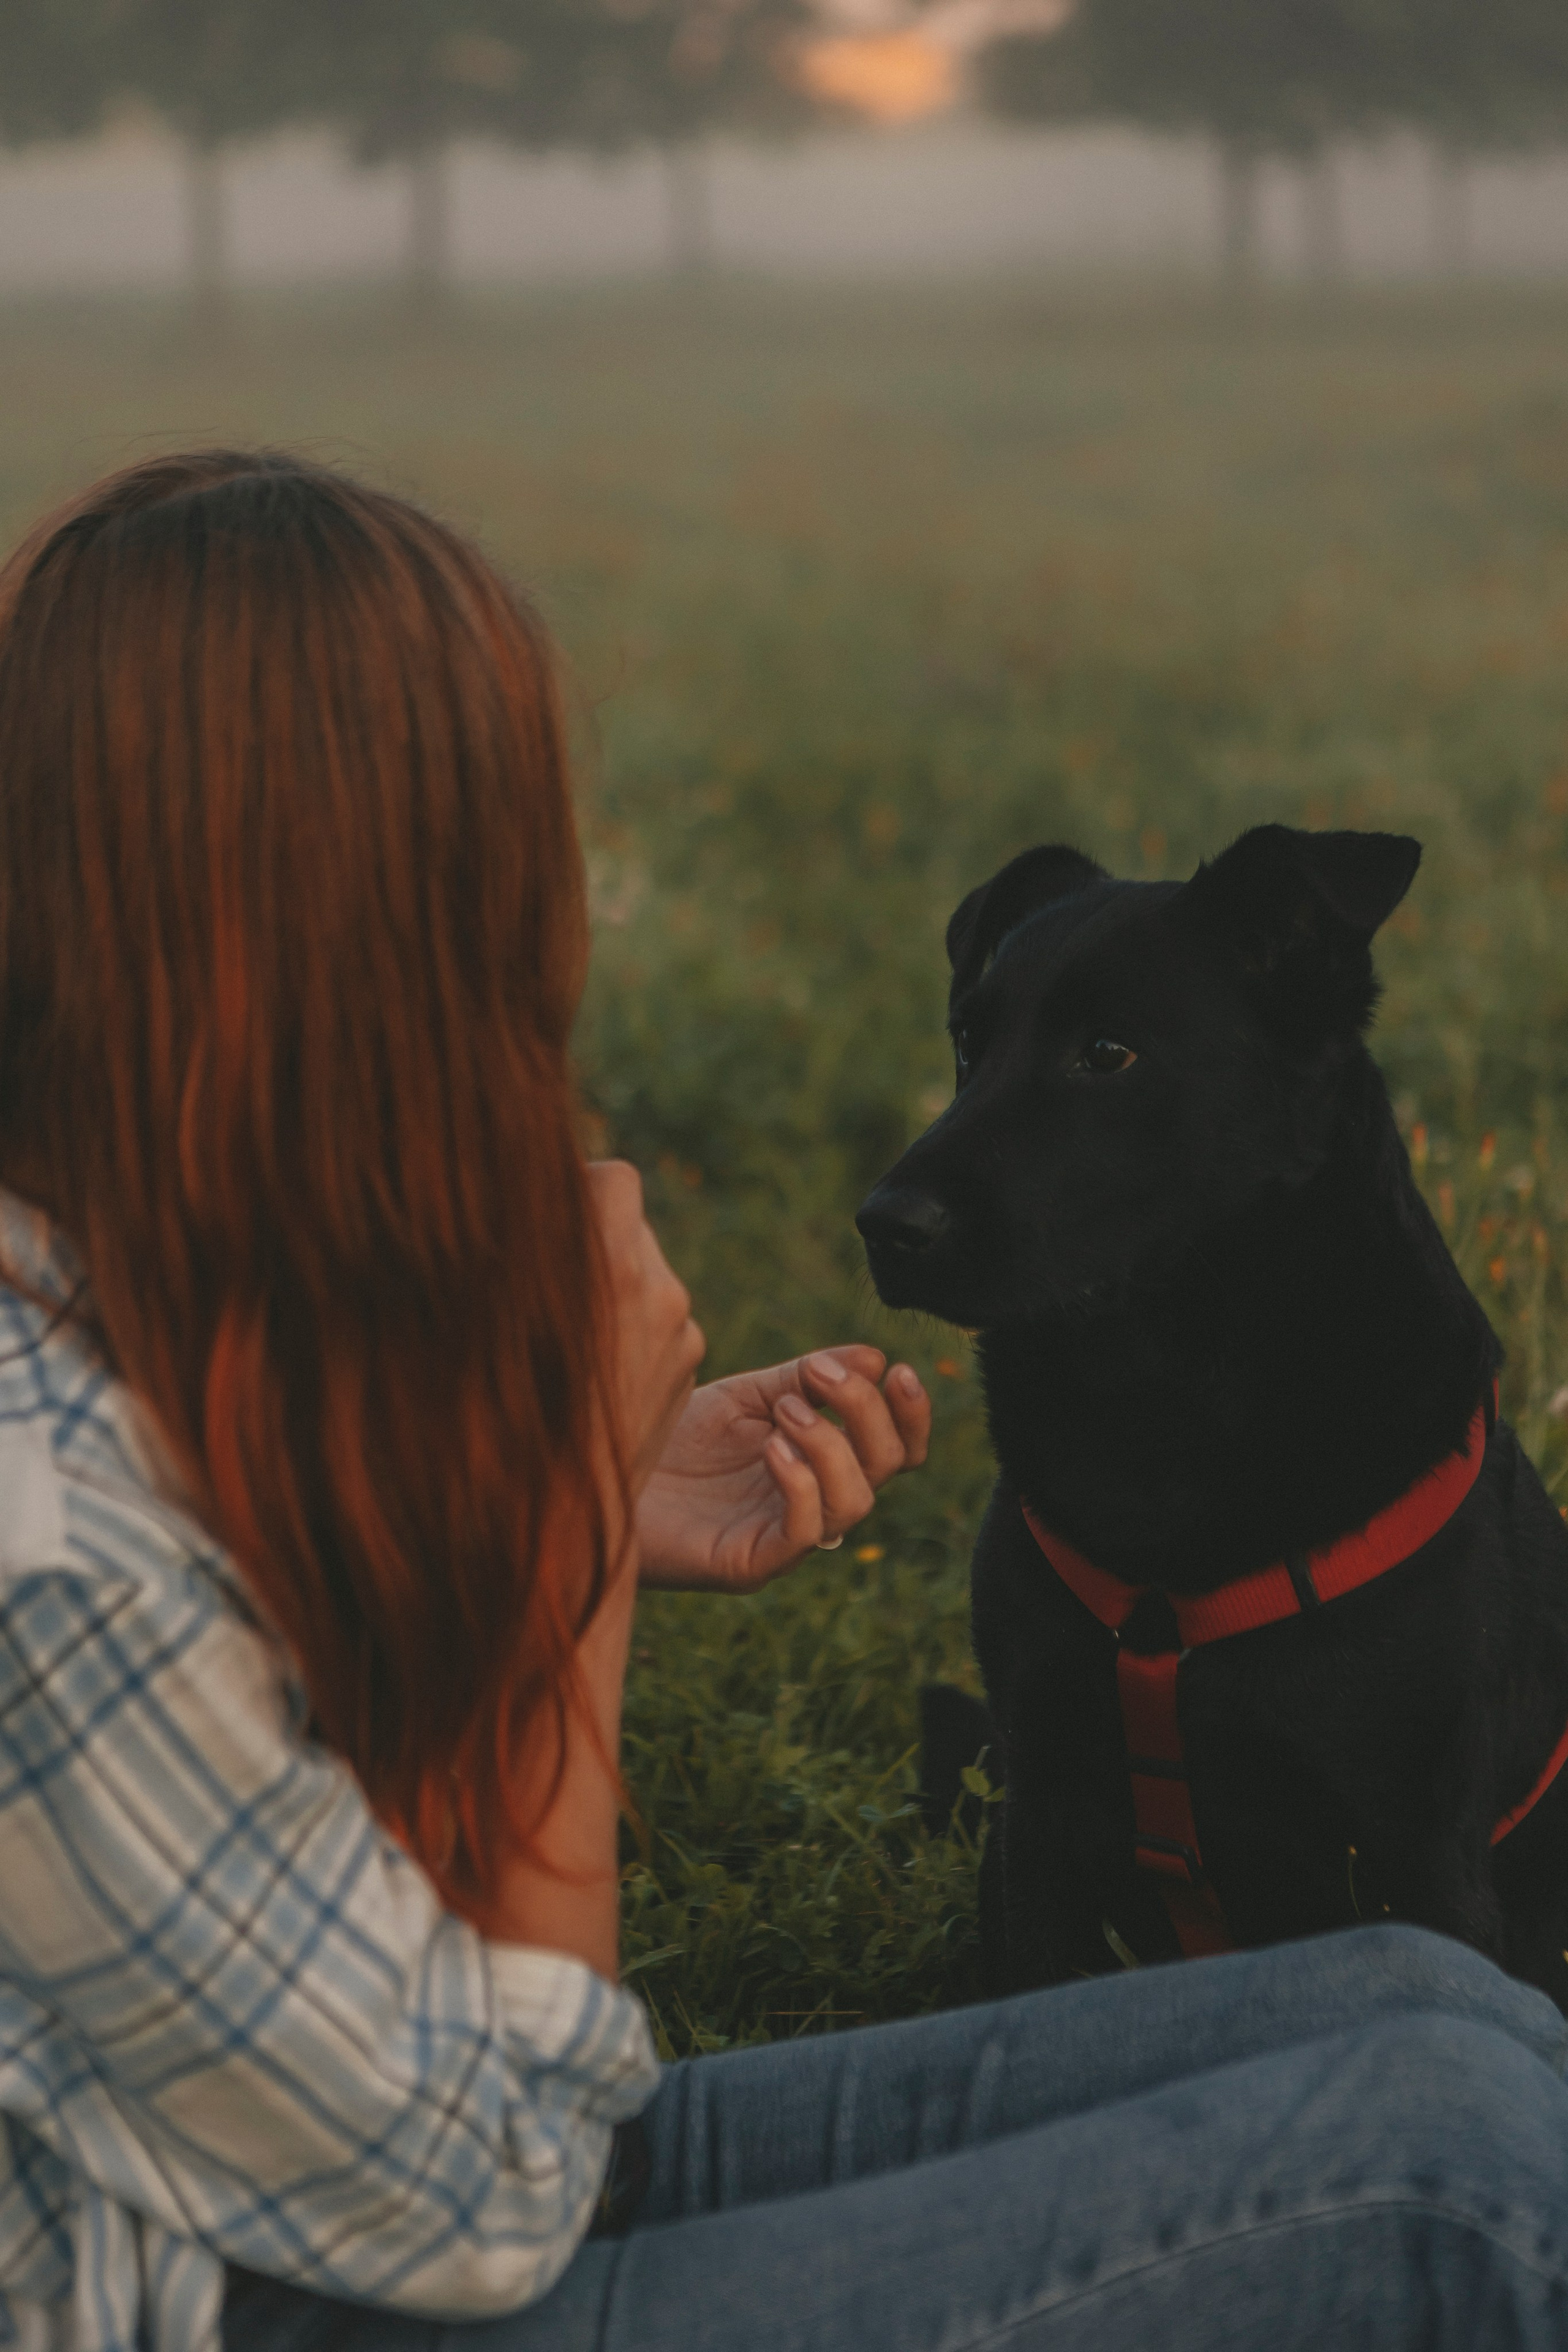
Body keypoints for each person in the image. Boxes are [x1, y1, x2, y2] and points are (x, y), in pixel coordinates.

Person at [0, 454, 1565, 2352]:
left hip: (273, 2198)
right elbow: (491, 2205)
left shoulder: (68, 1340)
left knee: (1434, 2014)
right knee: (1456, 2170)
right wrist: (559, 1536)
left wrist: (512, 1494)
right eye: (506, 858)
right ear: (359, 935)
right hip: (252, 2290)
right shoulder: (46, 1530)